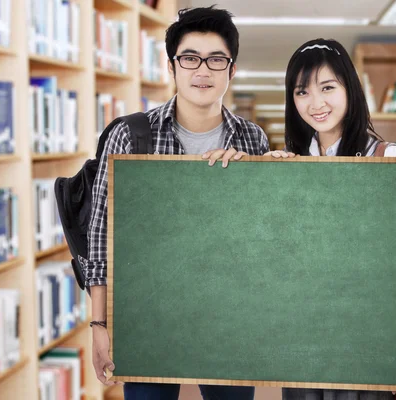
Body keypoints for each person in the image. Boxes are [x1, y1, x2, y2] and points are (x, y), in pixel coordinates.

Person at [84, 6, 269, 400]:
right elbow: (101, 235)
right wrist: (99, 324)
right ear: (172, 67)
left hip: (230, 318)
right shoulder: (130, 136)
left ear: (231, 70)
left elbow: (262, 237)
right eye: (190, 58)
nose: (202, 70)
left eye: (216, 59)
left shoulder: (252, 139)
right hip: (149, 315)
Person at [266, 38, 396, 399]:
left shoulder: (385, 158)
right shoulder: (293, 162)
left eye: (327, 88)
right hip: (303, 335)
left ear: (349, 89)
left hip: (365, 333)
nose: (315, 103)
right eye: (302, 92)